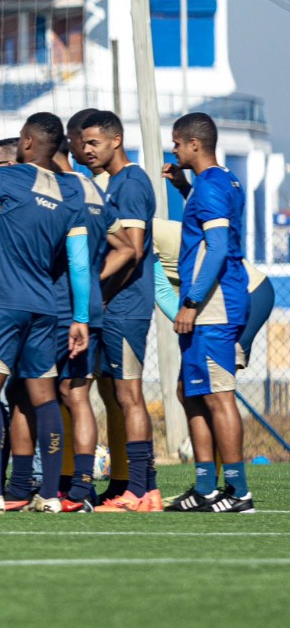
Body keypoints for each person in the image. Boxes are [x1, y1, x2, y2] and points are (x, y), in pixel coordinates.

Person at [0, 112, 91, 515]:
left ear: (27, 141)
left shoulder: (3, 179)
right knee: (44, 397)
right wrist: (80, 318)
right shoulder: (72, 190)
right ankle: (49, 495)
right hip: (46, 307)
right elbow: (79, 263)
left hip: (1, 302)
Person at [160, 112, 255, 512]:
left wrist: (191, 302)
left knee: (218, 395)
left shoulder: (213, 186)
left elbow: (215, 249)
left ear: (194, 144)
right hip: (213, 301)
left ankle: (238, 491)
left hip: (214, 304)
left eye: (177, 143)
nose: (174, 150)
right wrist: (184, 188)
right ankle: (204, 487)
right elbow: (206, 228)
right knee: (190, 391)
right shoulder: (218, 181)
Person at [77, 110, 162, 511]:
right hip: (111, 306)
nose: (87, 150)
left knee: (129, 394)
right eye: (83, 143)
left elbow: (134, 249)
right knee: (112, 393)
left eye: (94, 142)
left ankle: (141, 490)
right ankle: (135, 486)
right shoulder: (110, 183)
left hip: (125, 307)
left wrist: (98, 292)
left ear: (116, 140)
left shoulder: (130, 183)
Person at [55, 116, 126, 511]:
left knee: (56, 392)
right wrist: (94, 281)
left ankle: (65, 485)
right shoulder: (93, 189)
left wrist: (82, 279)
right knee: (75, 393)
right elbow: (126, 246)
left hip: (62, 309)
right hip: (89, 307)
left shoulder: (61, 191)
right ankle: (77, 484)